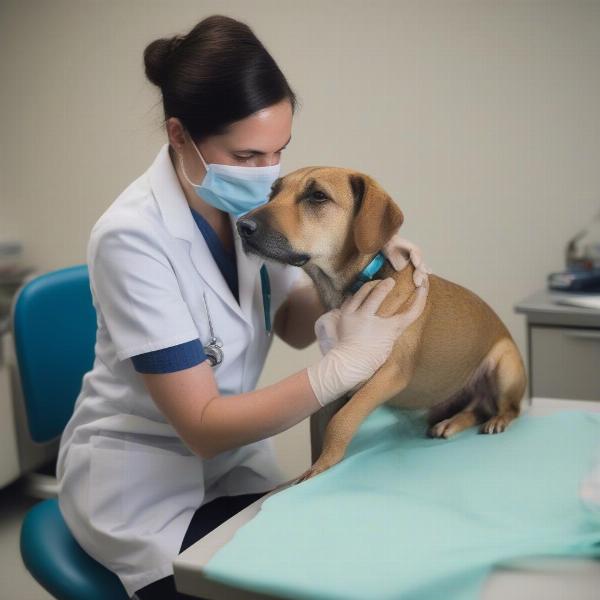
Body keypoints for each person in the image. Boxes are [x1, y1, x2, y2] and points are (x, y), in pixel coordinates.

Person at [56, 14, 430, 600]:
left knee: (344, 557)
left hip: (232, 464)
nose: (269, 175)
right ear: (179, 136)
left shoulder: (249, 212)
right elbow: (203, 428)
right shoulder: (132, 237)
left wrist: (355, 275)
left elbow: (288, 322)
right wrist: (342, 367)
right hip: (142, 482)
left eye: (280, 152)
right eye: (249, 155)